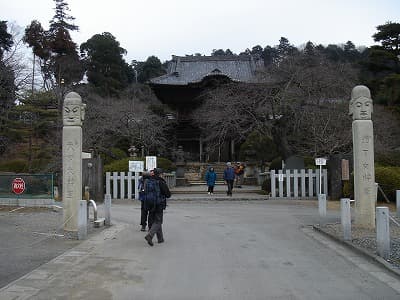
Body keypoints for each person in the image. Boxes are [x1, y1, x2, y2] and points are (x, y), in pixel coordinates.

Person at [144, 168, 171, 246]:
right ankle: (150, 235)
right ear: (160, 174)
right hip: (159, 204)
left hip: (149, 203)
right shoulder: (161, 182)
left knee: (155, 221)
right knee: (158, 221)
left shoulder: (148, 181)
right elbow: (168, 194)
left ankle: (160, 239)